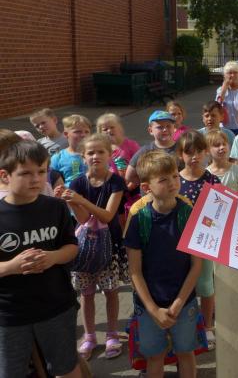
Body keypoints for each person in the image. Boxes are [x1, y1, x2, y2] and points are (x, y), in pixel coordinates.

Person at [0, 140, 82, 378]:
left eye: (41, 171)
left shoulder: (56, 208)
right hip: (10, 314)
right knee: (11, 371)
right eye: (25, 173)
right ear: (5, 176)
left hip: (56, 305)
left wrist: (53, 257)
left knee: (66, 367)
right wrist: (11, 266)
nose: (35, 179)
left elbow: (72, 247)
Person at [124, 151, 202, 378]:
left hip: (184, 302)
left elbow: (196, 266)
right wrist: (153, 309)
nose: (173, 183)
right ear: (146, 187)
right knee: (155, 357)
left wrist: (178, 303)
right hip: (149, 305)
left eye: (175, 176)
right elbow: (135, 272)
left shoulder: (189, 215)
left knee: (186, 353)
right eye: (163, 179)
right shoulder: (139, 219)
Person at [55, 133, 126, 360]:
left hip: (109, 246)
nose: (95, 156)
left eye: (100, 152)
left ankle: (112, 334)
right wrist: (70, 200)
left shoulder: (116, 182)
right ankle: (89, 336)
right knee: (86, 294)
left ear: (110, 154)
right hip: (85, 247)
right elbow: (84, 219)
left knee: (111, 291)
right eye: (90, 152)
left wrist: (80, 200)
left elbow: (107, 216)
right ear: (83, 156)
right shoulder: (77, 183)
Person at [176, 130, 220, 349]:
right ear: (180, 154)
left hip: (204, 242)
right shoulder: (175, 179)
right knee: (182, 284)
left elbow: (220, 210)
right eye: (188, 152)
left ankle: (208, 326)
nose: (194, 157)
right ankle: (186, 324)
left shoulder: (211, 179)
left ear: (205, 152)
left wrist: (208, 224)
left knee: (206, 286)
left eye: (198, 152)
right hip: (179, 241)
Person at [125, 110, 178, 191]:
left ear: (174, 128)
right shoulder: (145, 151)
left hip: (177, 194)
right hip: (152, 196)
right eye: (160, 127)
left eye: (168, 126)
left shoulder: (182, 148)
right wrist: (150, 184)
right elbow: (129, 176)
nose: (165, 129)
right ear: (150, 130)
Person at [205, 130, 238, 197]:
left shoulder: (236, 170)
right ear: (207, 151)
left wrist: (230, 196)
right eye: (217, 145)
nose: (222, 147)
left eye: (224, 144)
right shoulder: (206, 173)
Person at [49, 114, 91, 187]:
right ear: (66, 134)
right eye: (78, 132)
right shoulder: (58, 157)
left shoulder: (96, 154)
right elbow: (52, 181)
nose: (83, 135)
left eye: (86, 132)